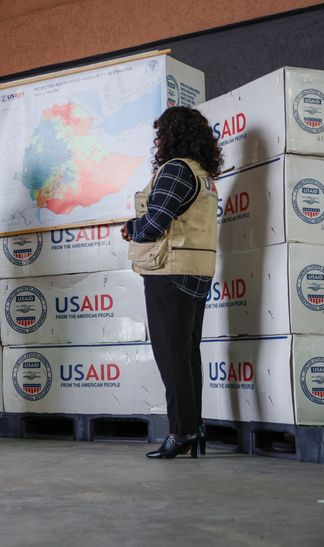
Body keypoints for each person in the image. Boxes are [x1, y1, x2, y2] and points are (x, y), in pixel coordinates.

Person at [122, 106, 222, 459]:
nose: (158, 140)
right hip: (197, 269)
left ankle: (180, 433)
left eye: (161, 133)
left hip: (170, 271)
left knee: (171, 357)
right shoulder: (204, 175)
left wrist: (130, 229)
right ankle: (192, 430)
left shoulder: (176, 170)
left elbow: (154, 223)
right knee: (186, 355)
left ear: (172, 135)